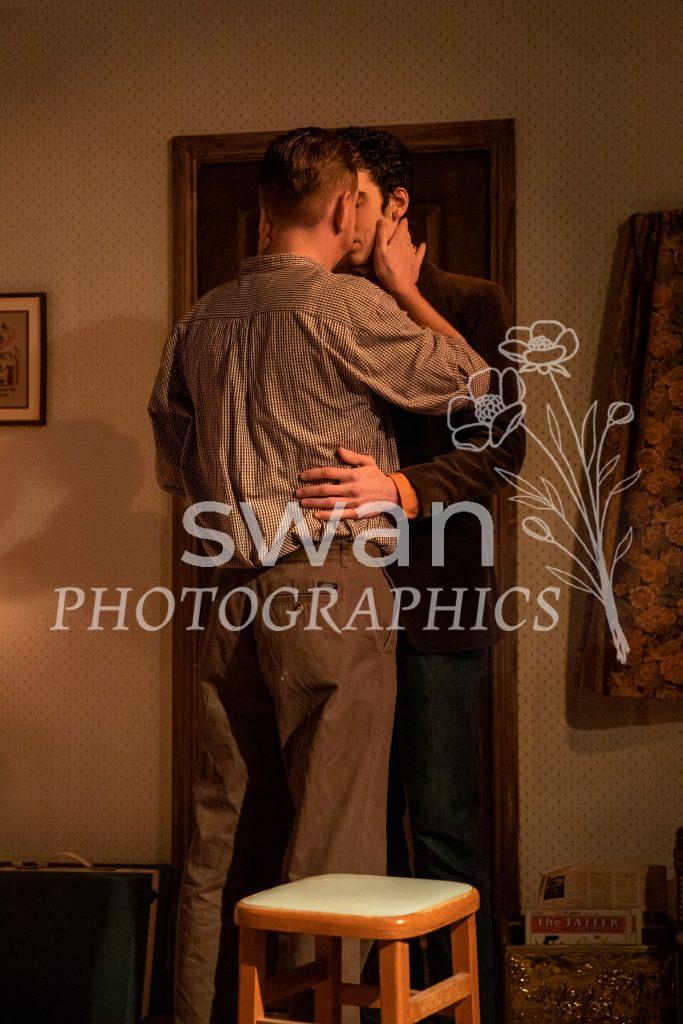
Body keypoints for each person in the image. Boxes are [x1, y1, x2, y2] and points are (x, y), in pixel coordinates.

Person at [148, 126, 491, 1024]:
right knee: (334, 841)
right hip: (324, 586)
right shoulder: (343, 305)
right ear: (344, 207)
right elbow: (473, 382)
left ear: (265, 210)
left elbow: (174, 458)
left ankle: (204, 1013)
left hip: (224, 588)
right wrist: (407, 294)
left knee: (220, 833)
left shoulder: (200, 316)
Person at [294, 126, 526, 1024]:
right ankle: (362, 1009)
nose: (339, 214)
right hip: (330, 599)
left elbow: (501, 449)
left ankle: (461, 1011)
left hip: (436, 601)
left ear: (393, 203)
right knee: (347, 831)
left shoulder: (470, 302)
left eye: (354, 197)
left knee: (442, 827)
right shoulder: (313, 303)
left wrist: (395, 488)